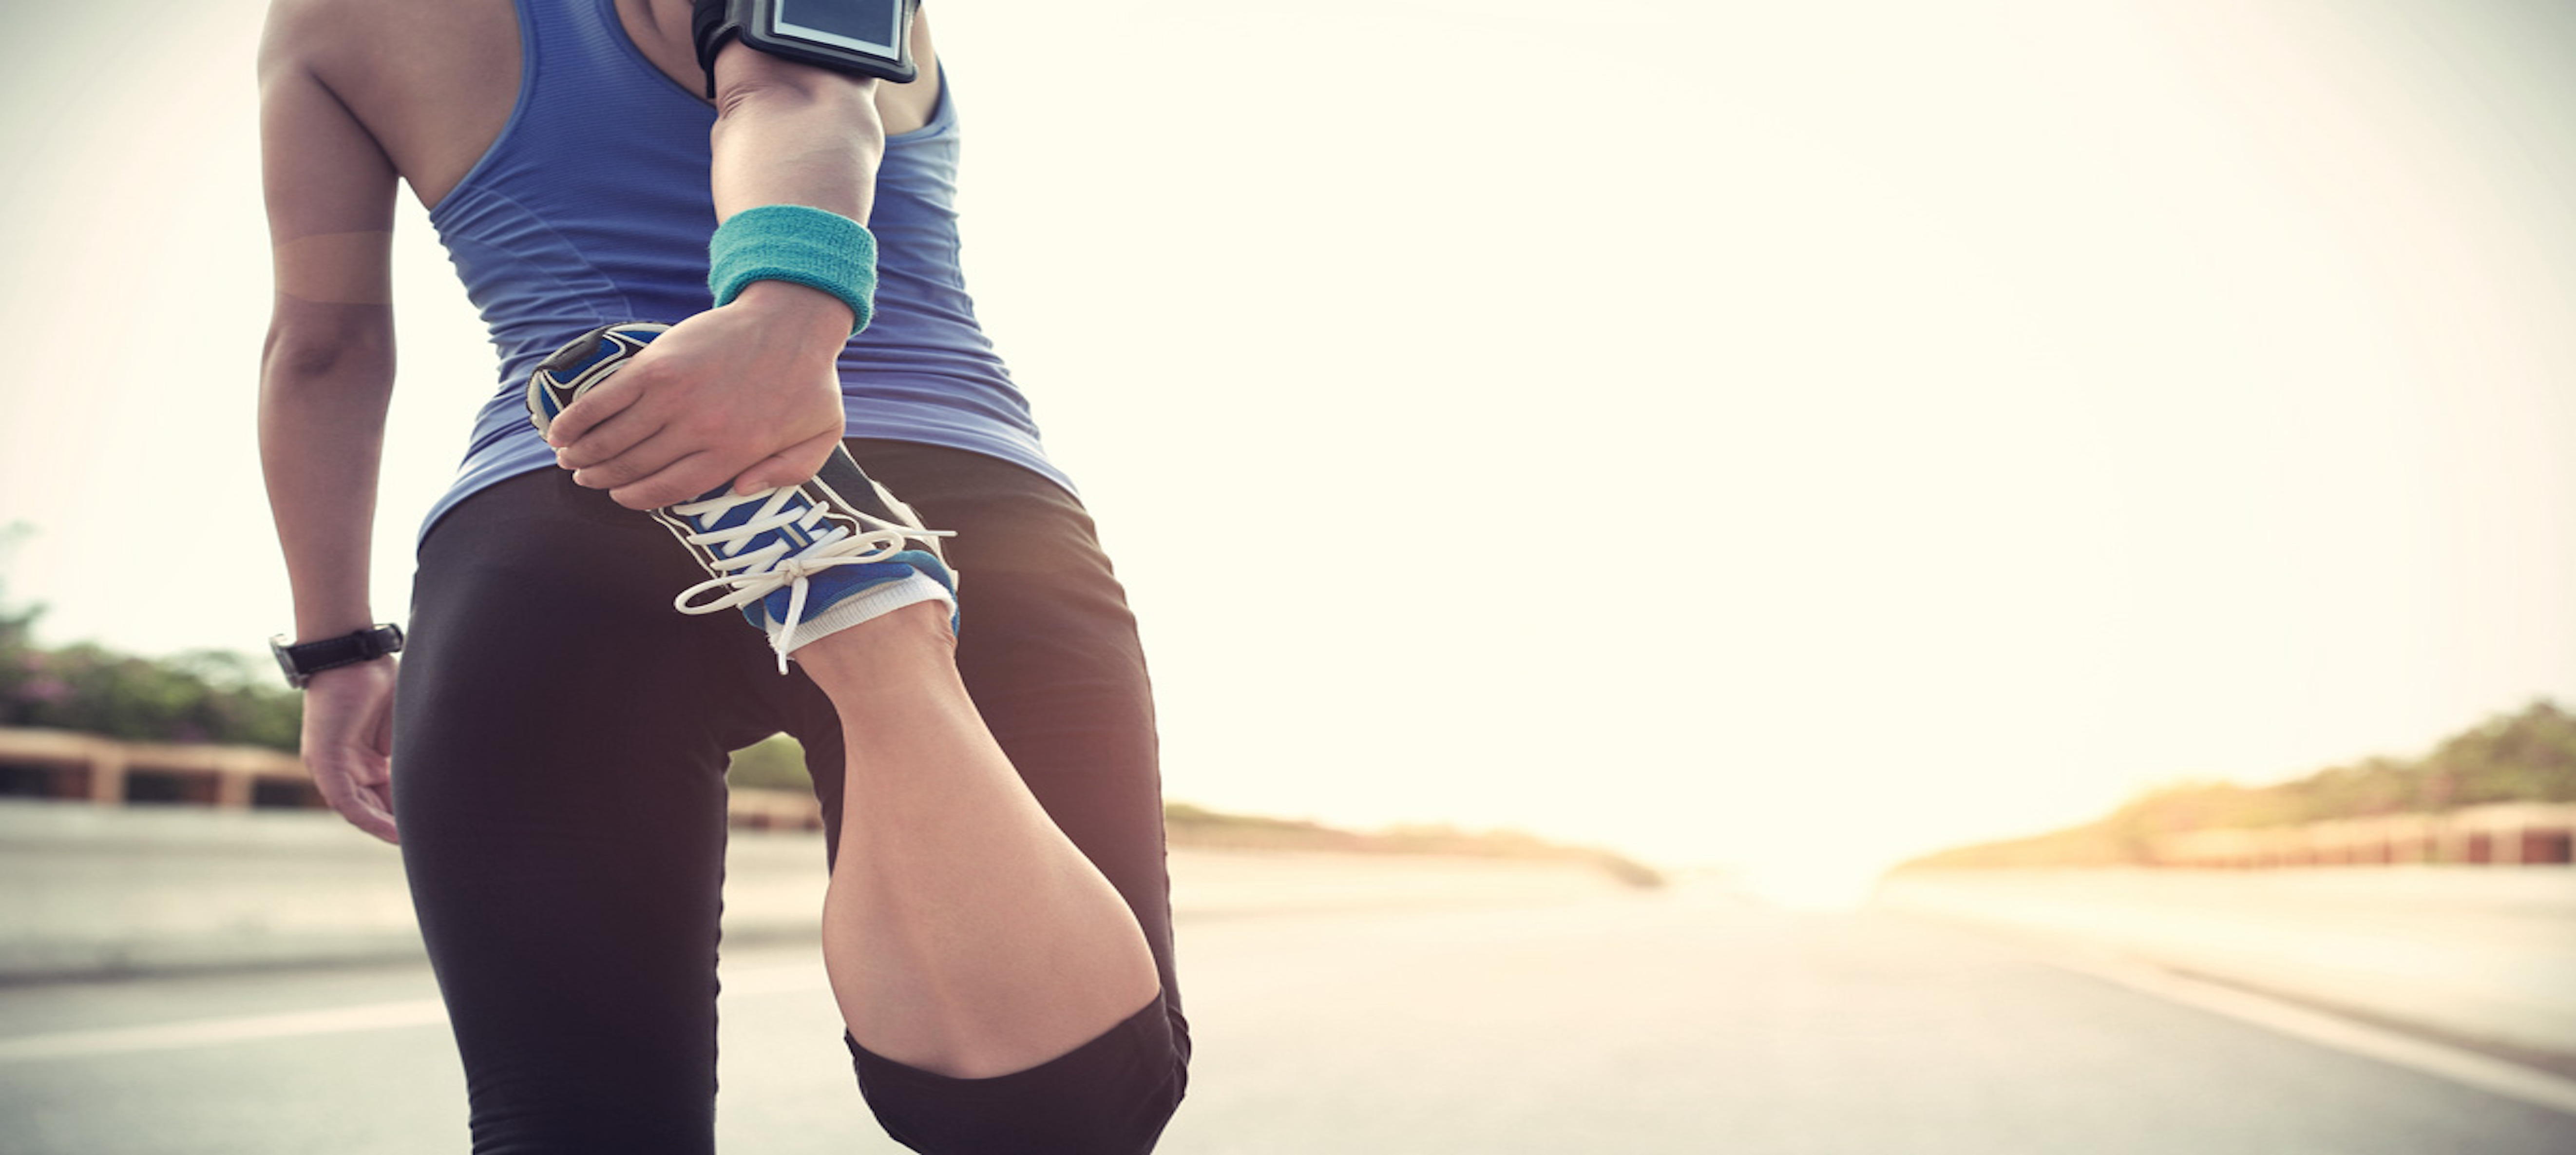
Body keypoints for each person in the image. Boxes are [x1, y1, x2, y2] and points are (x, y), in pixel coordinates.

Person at [254, 1, 1188, 1150]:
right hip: (937, 501)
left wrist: (338, 652)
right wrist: (782, 323)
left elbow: (322, 347)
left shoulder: (323, 21)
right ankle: (877, 636)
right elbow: (795, 91)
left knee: (571, 1123)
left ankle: (853, 612)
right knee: (1067, 1113)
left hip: (558, 511)